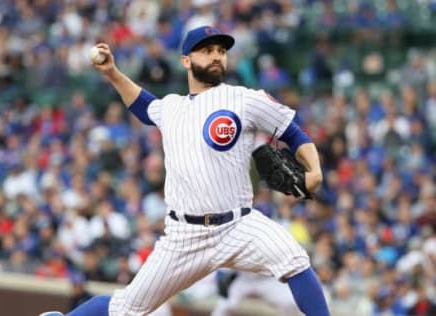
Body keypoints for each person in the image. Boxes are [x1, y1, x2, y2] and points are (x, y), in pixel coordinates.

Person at [40, 25, 329, 316]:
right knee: (125, 308)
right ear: (186, 61)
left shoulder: (245, 99)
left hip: (239, 225)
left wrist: (314, 169)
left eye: (221, 51)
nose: (216, 56)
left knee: (295, 260)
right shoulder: (171, 108)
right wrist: (113, 74)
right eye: (206, 50)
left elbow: (294, 134)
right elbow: (144, 106)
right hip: (184, 235)